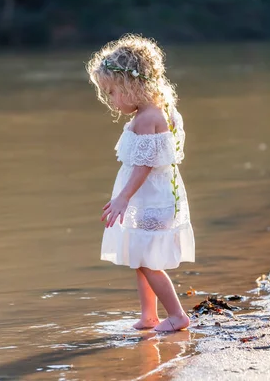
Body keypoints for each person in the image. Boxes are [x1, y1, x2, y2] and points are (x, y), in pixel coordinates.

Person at [86, 34, 195, 332]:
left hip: (150, 200)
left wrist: (122, 198)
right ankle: (149, 315)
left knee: (147, 261)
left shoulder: (147, 118)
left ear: (130, 85)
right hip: (153, 198)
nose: (110, 100)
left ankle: (176, 316)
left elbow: (146, 165)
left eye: (111, 92)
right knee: (141, 258)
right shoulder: (157, 110)